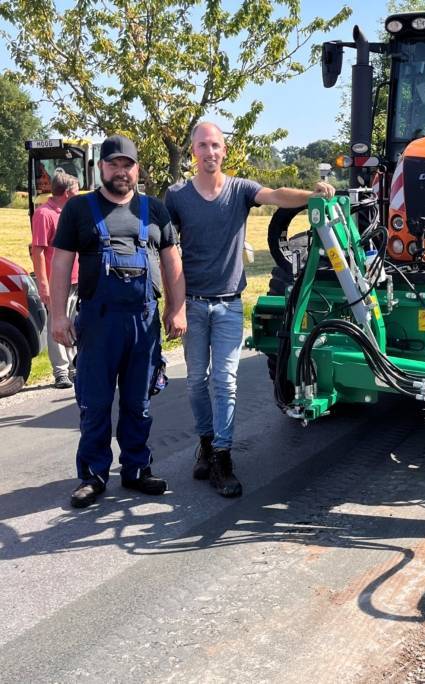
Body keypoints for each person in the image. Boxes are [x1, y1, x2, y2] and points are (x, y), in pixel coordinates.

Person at [165, 121, 334, 498]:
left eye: (216, 146)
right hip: (192, 305)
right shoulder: (176, 196)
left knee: (224, 381)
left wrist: (312, 196)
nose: (210, 152)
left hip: (228, 306)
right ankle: (206, 443)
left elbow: (275, 195)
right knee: (195, 383)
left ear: (224, 151)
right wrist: (172, 305)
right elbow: (166, 251)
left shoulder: (240, 190)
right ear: (193, 150)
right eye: (203, 145)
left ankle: (222, 455)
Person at [50, 134, 187, 509]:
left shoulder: (154, 210)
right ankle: (93, 475)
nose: (121, 171)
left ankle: (137, 469)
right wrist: (58, 316)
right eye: (113, 164)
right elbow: (61, 262)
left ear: (136, 168)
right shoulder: (79, 209)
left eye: (127, 165)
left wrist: (178, 308)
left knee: (138, 401)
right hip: (98, 322)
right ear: (101, 168)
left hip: (143, 321)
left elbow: (172, 261)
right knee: (94, 402)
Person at [30, 169, 80, 388]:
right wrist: (43, 284)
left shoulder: (69, 213)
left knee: (73, 322)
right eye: (77, 190)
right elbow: (38, 251)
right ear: (68, 192)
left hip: (77, 278)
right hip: (57, 281)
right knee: (57, 323)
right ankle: (60, 370)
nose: (79, 194)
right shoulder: (44, 214)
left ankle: (74, 365)